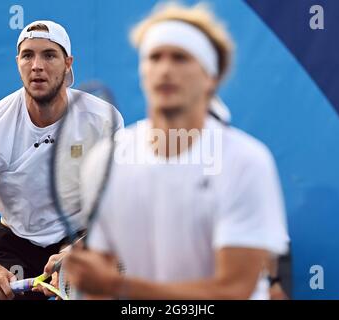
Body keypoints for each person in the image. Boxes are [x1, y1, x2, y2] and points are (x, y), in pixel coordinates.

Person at [55, 2, 289, 299]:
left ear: (211, 77)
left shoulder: (246, 162)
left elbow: (232, 291)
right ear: (142, 71)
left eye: (180, 58)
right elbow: (103, 276)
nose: (165, 69)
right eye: (155, 57)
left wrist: (119, 287)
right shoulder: (105, 162)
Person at [0, 20, 123, 300]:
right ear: (18, 62)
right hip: (16, 242)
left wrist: (78, 249)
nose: (36, 65)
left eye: (49, 55)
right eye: (28, 55)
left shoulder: (102, 120)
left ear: (68, 63)